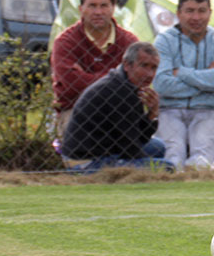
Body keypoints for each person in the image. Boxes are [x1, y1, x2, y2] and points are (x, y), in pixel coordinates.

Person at [153, 0, 214, 171]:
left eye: (201, 11)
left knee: (201, 160)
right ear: (179, 14)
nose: (196, 18)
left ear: (210, 13)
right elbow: (162, 84)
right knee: (173, 158)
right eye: (190, 11)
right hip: (170, 111)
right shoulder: (164, 41)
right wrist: (206, 80)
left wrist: (181, 72)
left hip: (208, 111)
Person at [61, 42, 171, 171]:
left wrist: (152, 113)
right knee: (167, 167)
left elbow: (138, 137)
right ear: (126, 65)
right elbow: (131, 149)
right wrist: (147, 167)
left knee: (158, 147)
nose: (149, 74)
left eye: (153, 68)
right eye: (144, 66)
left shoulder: (127, 85)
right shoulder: (118, 92)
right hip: (86, 162)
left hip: (107, 150)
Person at [51, 0, 138, 137]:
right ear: (81, 9)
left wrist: (85, 77)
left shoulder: (129, 42)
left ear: (113, 8)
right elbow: (70, 85)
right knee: (82, 136)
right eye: (92, 6)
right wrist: (116, 78)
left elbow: (135, 82)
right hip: (76, 110)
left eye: (104, 6)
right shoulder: (65, 42)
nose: (98, 12)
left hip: (119, 111)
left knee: (153, 147)